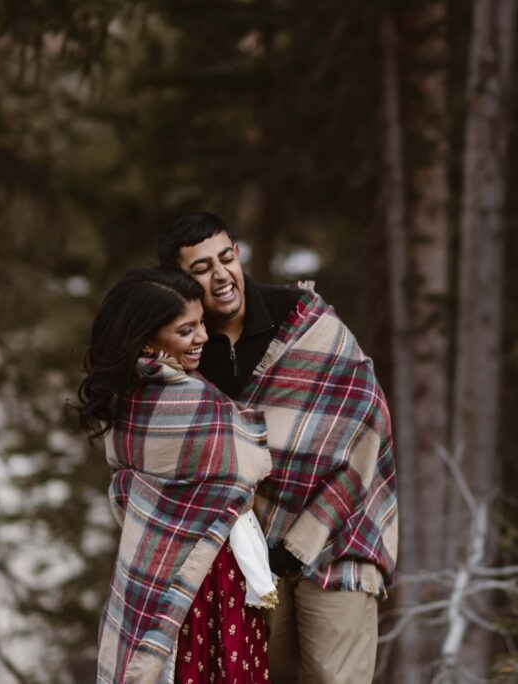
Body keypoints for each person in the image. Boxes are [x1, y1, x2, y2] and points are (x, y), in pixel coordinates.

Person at [159, 213, 399, 683]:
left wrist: (306, 537)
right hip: (248, 550)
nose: (221, 275)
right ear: (179, 282)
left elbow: (368, 425)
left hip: (336, 534)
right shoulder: (187, 351)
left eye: (226, 258)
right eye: (201, 269)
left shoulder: (304, 320)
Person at [75, 268, 278, 683]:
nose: (203, 336)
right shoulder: (191, 399)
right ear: (149, 340)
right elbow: (249, 464)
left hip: (164, 569)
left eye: (202, 322)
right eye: (187, 330)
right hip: (206, 577)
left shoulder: (125, 397)